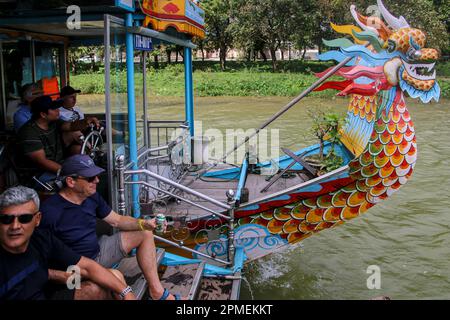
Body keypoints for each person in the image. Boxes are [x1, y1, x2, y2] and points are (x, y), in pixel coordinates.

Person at [39, 154, 183, 300]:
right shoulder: (49, 212)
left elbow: (117, 220)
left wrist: (144, 223)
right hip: (75, 269)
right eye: (90, 178)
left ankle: (157, 292)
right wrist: (61, 276)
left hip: (98, 252)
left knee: (145, 233)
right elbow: (38, 258)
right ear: (70, 181)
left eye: (96, 176)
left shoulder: (91, 196)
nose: (97, 180)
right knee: (116, 278)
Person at [0, 186, 136, 300]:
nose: (15, 226)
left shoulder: (41, 238)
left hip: (55, 287)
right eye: (6, 219)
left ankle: (156, 291)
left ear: (37, 219)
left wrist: (127, 292)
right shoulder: (54, 211)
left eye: (24, 218)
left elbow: (87, 266)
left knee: (112, 278)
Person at [15, 95, 100, 189]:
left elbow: (71, 126)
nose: (58, 111)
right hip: (38, 175)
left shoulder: (53, 123)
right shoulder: (29, 133)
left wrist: (86, 121)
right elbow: (42, 162)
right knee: (81, 182)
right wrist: (70, 172)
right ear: (43, 114)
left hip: (58, 165)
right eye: (54, 109)